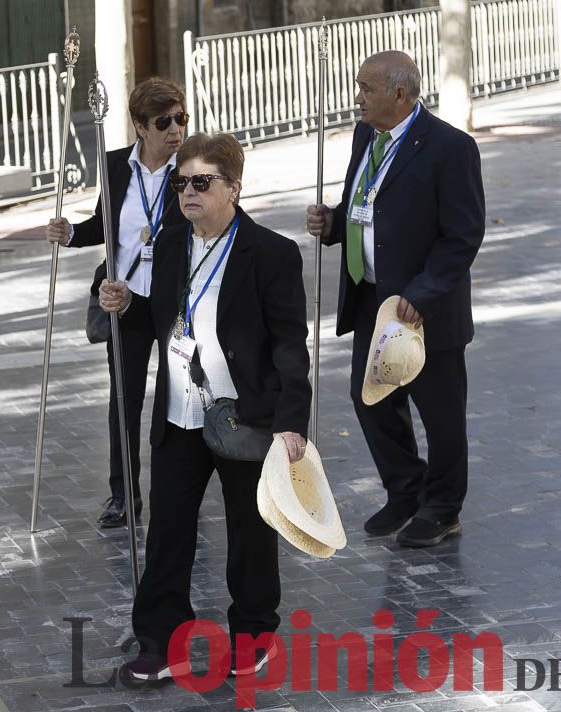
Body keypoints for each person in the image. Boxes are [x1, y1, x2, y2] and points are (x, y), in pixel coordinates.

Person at [98, 132, 311, 681]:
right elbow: (159, 319)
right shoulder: (169, 245)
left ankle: (254, 634)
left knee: (249, 532)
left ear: (233, 189)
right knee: (168, 530)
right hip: (180, 416)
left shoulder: (271, 254)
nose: (187, 192)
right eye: (180, 182)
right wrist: (123, 303)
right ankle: (160, 641)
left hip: (244, 415)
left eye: (201, 182)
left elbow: (290, 346)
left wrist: (291, 425)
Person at [305, 52, 485, 548]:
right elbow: (368, 203)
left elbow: (463, 235)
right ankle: (406, 489)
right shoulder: (368, 136)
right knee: (372, 403)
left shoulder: (451, 147)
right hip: (373, 298)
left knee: (441, 413)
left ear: (400, 95)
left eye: (366, 88)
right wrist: (334, 223)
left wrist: (423, 293)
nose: (357, 97)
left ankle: (444, 507)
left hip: (425, 310)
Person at [46, 77, 187, 528]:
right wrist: (70, 234)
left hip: (174, 304)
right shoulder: (114, 165)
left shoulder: (191, 169)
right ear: (140, 126)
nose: (175, 129)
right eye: (163, 121)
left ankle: (175, 491)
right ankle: (123, 495)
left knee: (178, 399)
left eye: (181, 118)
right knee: (123, 402)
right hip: (122, 299)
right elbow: (105, 225)